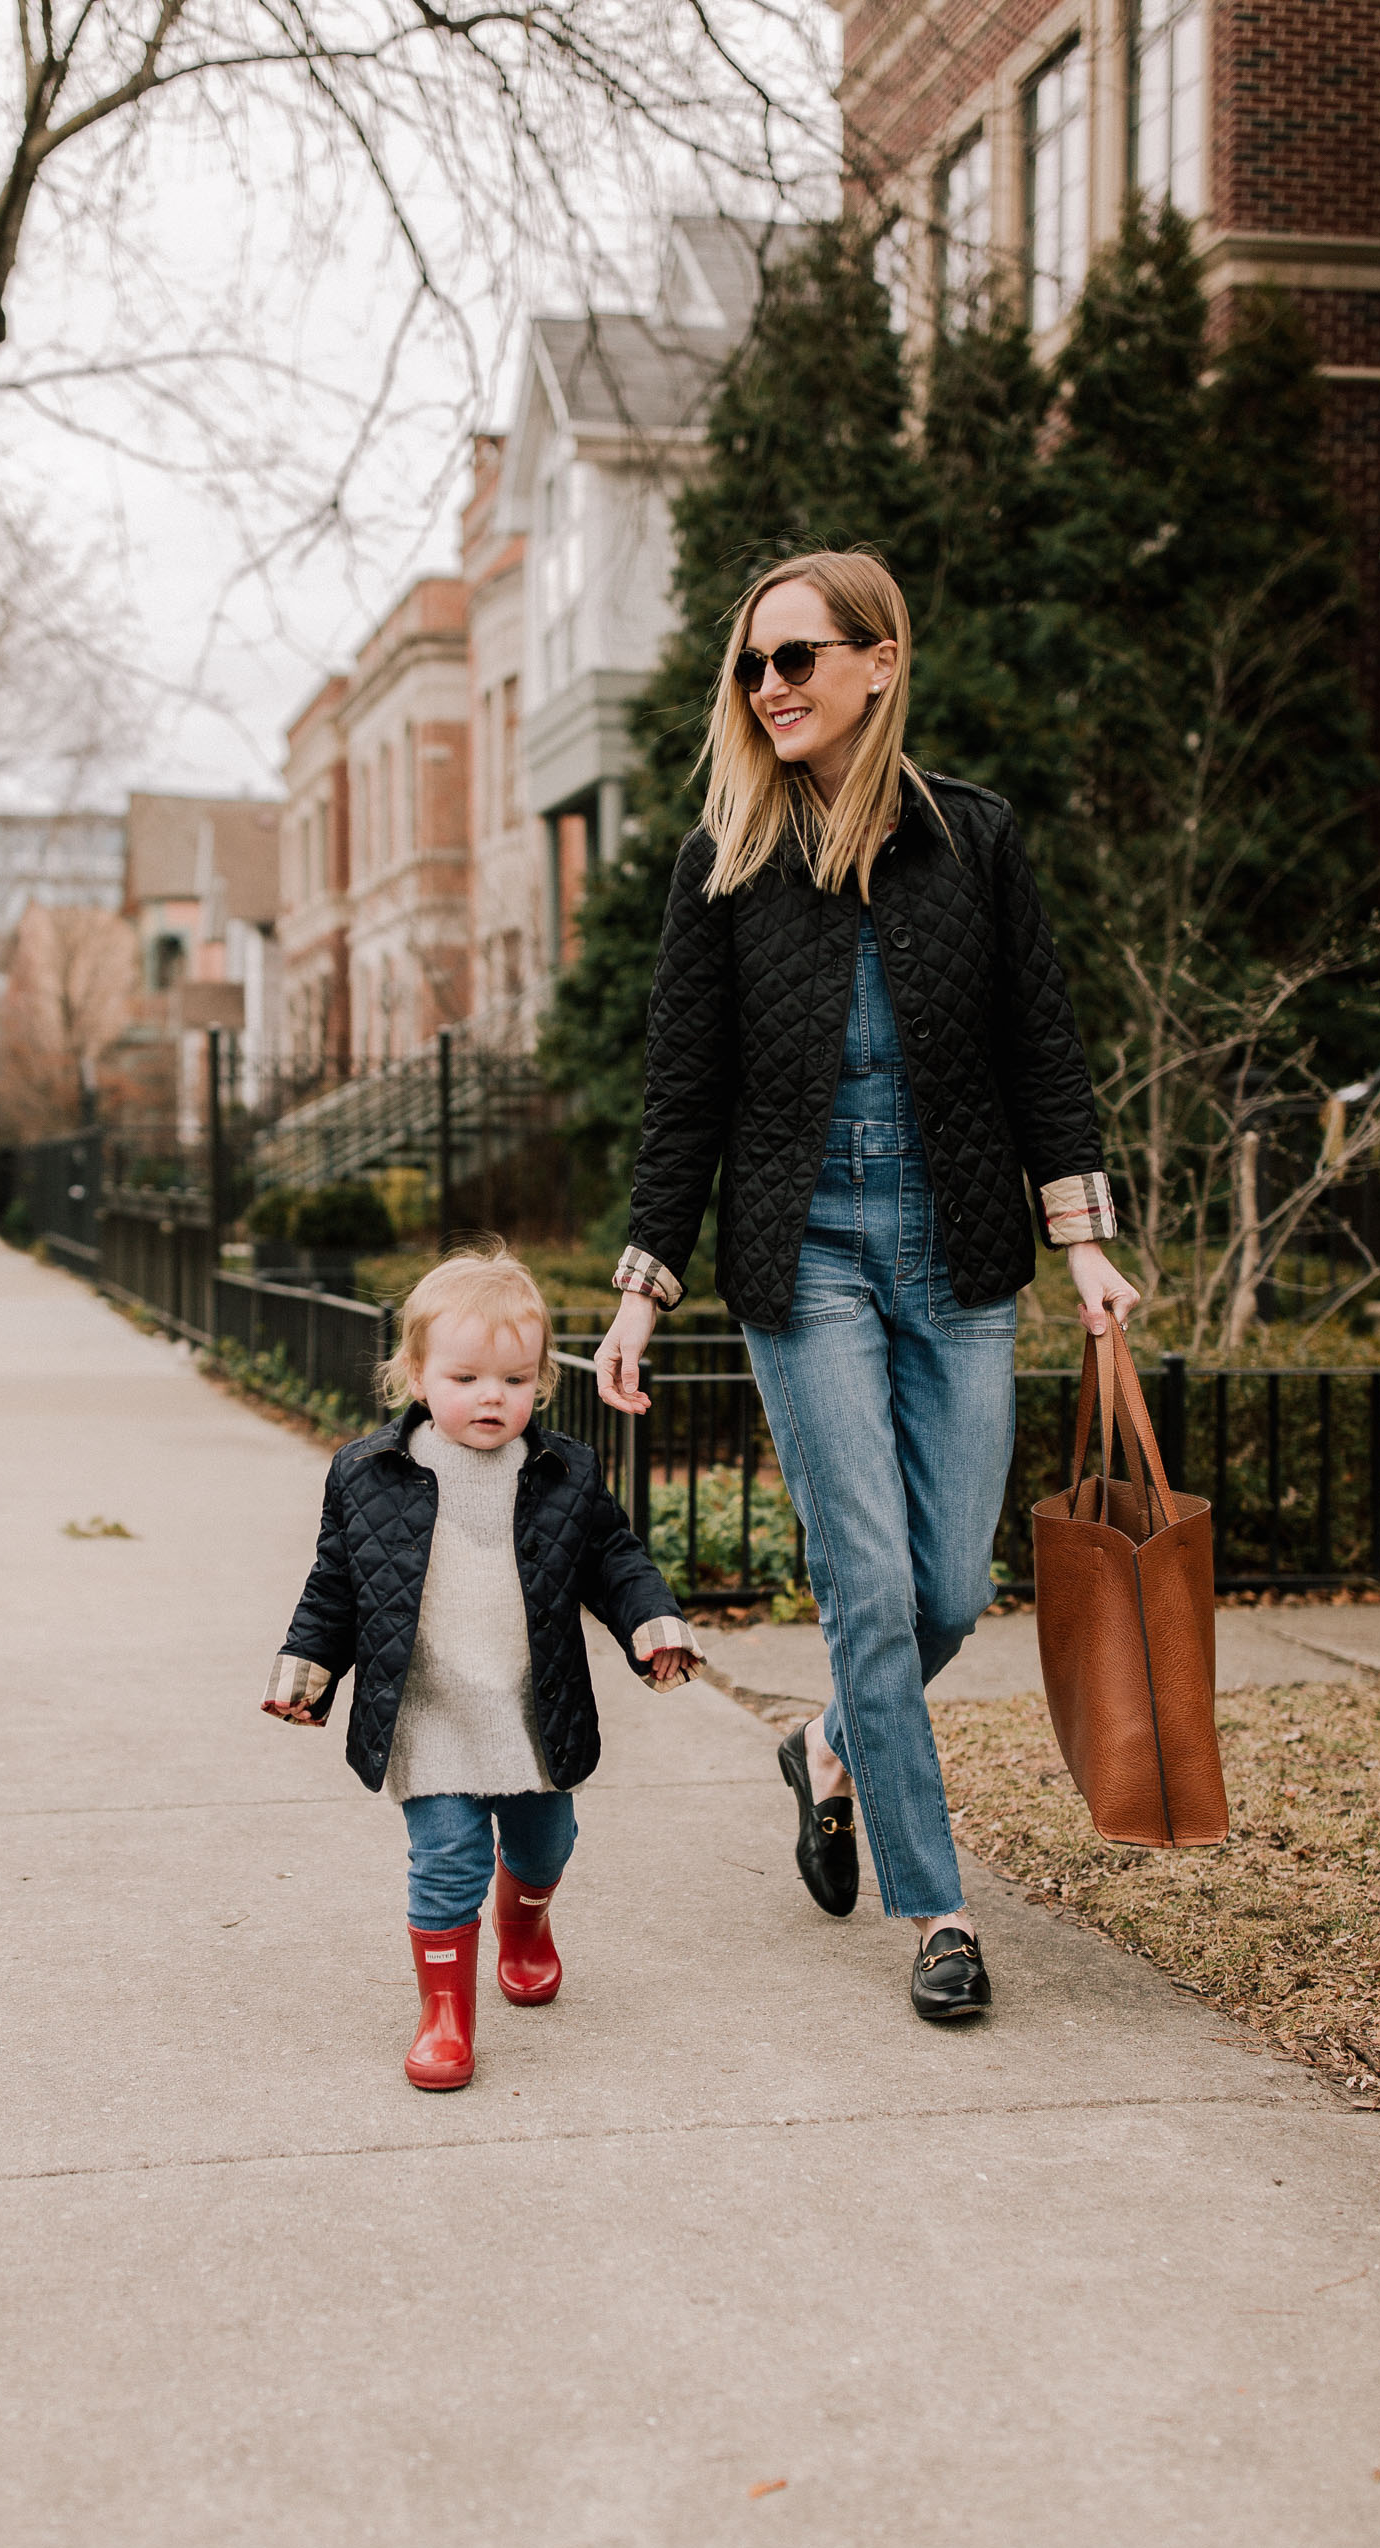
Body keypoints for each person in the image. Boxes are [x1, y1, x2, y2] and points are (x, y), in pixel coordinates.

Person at [595, 549, 1139, 2023]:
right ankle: (937, 1910)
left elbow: (1043, 1049)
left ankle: (826, 1743)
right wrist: (644, 1288)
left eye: (797, 659)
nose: (769, 687)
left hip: (956, 1246)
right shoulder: (723, 861)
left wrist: (1082, 1235)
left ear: (879, 662)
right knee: (869, 1592)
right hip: (804, 1256)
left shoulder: (975, 838)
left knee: (949, 1584)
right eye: (750, 667)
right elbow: (682, 1094)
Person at [264, 1247, 702, 2090]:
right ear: (416, 1375)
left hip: (532, 1709)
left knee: (545, 1845)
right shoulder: (367, 1474)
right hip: (426, 1713)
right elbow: (337, 1581)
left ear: (540, 1381)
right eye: (465, 1377)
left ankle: (527, 1920)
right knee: (446, 1859)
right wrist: (307, 1669)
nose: (491, 1396)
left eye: (514, 1378)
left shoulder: (564, 1469)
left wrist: (651, 1620)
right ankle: (445, 2014)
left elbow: (612, 1557)